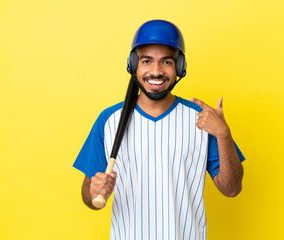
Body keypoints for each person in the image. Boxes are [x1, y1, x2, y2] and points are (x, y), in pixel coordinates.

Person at [73, 19, 245, 239]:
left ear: (179, 67)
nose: (156, 71)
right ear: (134, 65)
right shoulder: (109, 120)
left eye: (166, 62)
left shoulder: (202, 120)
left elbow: (231, 189)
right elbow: (90, 198)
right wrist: (94, 192)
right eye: (146, 61)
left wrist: (224, 134)